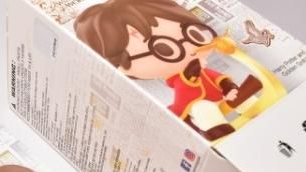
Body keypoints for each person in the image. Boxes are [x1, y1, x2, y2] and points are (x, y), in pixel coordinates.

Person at [74, 0, 263, 141]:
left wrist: (229, 87)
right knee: (202, 108)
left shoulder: (202, 67)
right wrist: (190, 75)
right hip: (195, 105)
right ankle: (217, 131)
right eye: (165, 48)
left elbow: (217, 78)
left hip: (221, 97)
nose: (189, 47)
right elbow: (186, 94)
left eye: (193, 33)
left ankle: (257, 111)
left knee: (244, 97)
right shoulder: (181, 78)